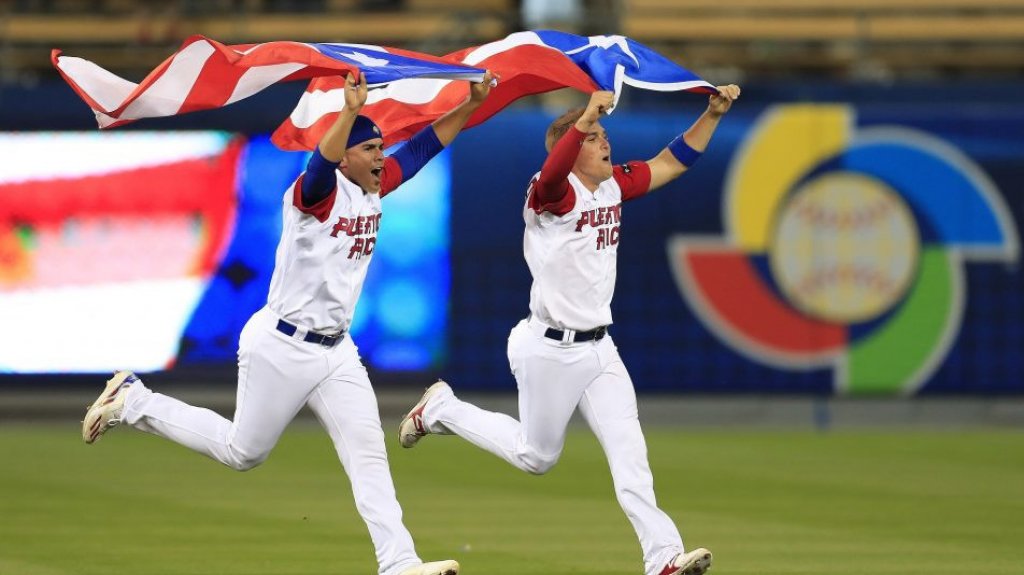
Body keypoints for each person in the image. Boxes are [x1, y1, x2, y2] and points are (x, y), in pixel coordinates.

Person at [81, 68, 494, 575]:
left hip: (336, 352)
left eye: (381, 148)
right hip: (282, 343)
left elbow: (425, 146)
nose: (382, 156)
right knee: (242, 452)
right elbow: (322, 164)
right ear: (346, 155)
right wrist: (347, 112)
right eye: (371, 149)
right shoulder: (313, 194)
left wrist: (470, 105)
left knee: (368, 457)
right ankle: (134, 401)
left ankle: (399, 562)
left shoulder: (373, 187)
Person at [398, 85, 741, 575]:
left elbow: (671, 161)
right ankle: (441, 408)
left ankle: (662, 557)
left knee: (631, 455)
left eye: (604, 134)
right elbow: (556, 171)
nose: (606, 142)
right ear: (573, 146)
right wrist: (582, 121)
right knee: (535, 457)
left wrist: (712, 114)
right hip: (548, 348)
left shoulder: (611, 184)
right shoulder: (551, 192)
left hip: (600, 348)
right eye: (595, 136)